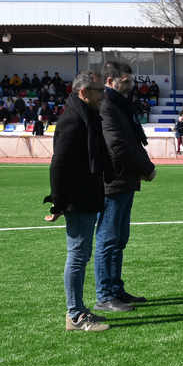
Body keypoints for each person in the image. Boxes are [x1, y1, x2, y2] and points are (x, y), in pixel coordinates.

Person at [44, 70, 115, 331]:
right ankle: (75, 316)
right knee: (77, 256)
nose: (104, 96)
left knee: (81, 255)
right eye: (100, 91)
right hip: (77, 200)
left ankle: (79, 310)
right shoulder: (72, 120)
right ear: (83, 93)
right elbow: (58, 166)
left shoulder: (87, 117)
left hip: (86, 196)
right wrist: (58, 203)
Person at [93, 61, 157, 312]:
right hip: (112, 182)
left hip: (123, 181)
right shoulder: (107, 105)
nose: (131, 85)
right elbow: (117, 146)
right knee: (108, 241)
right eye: (126, 81)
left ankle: (116, 290)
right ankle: (105, 295)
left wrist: (142, 167)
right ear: (110, 82)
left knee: (118, 240)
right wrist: (146, 168)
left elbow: (127, 142)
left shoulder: (118, 105)